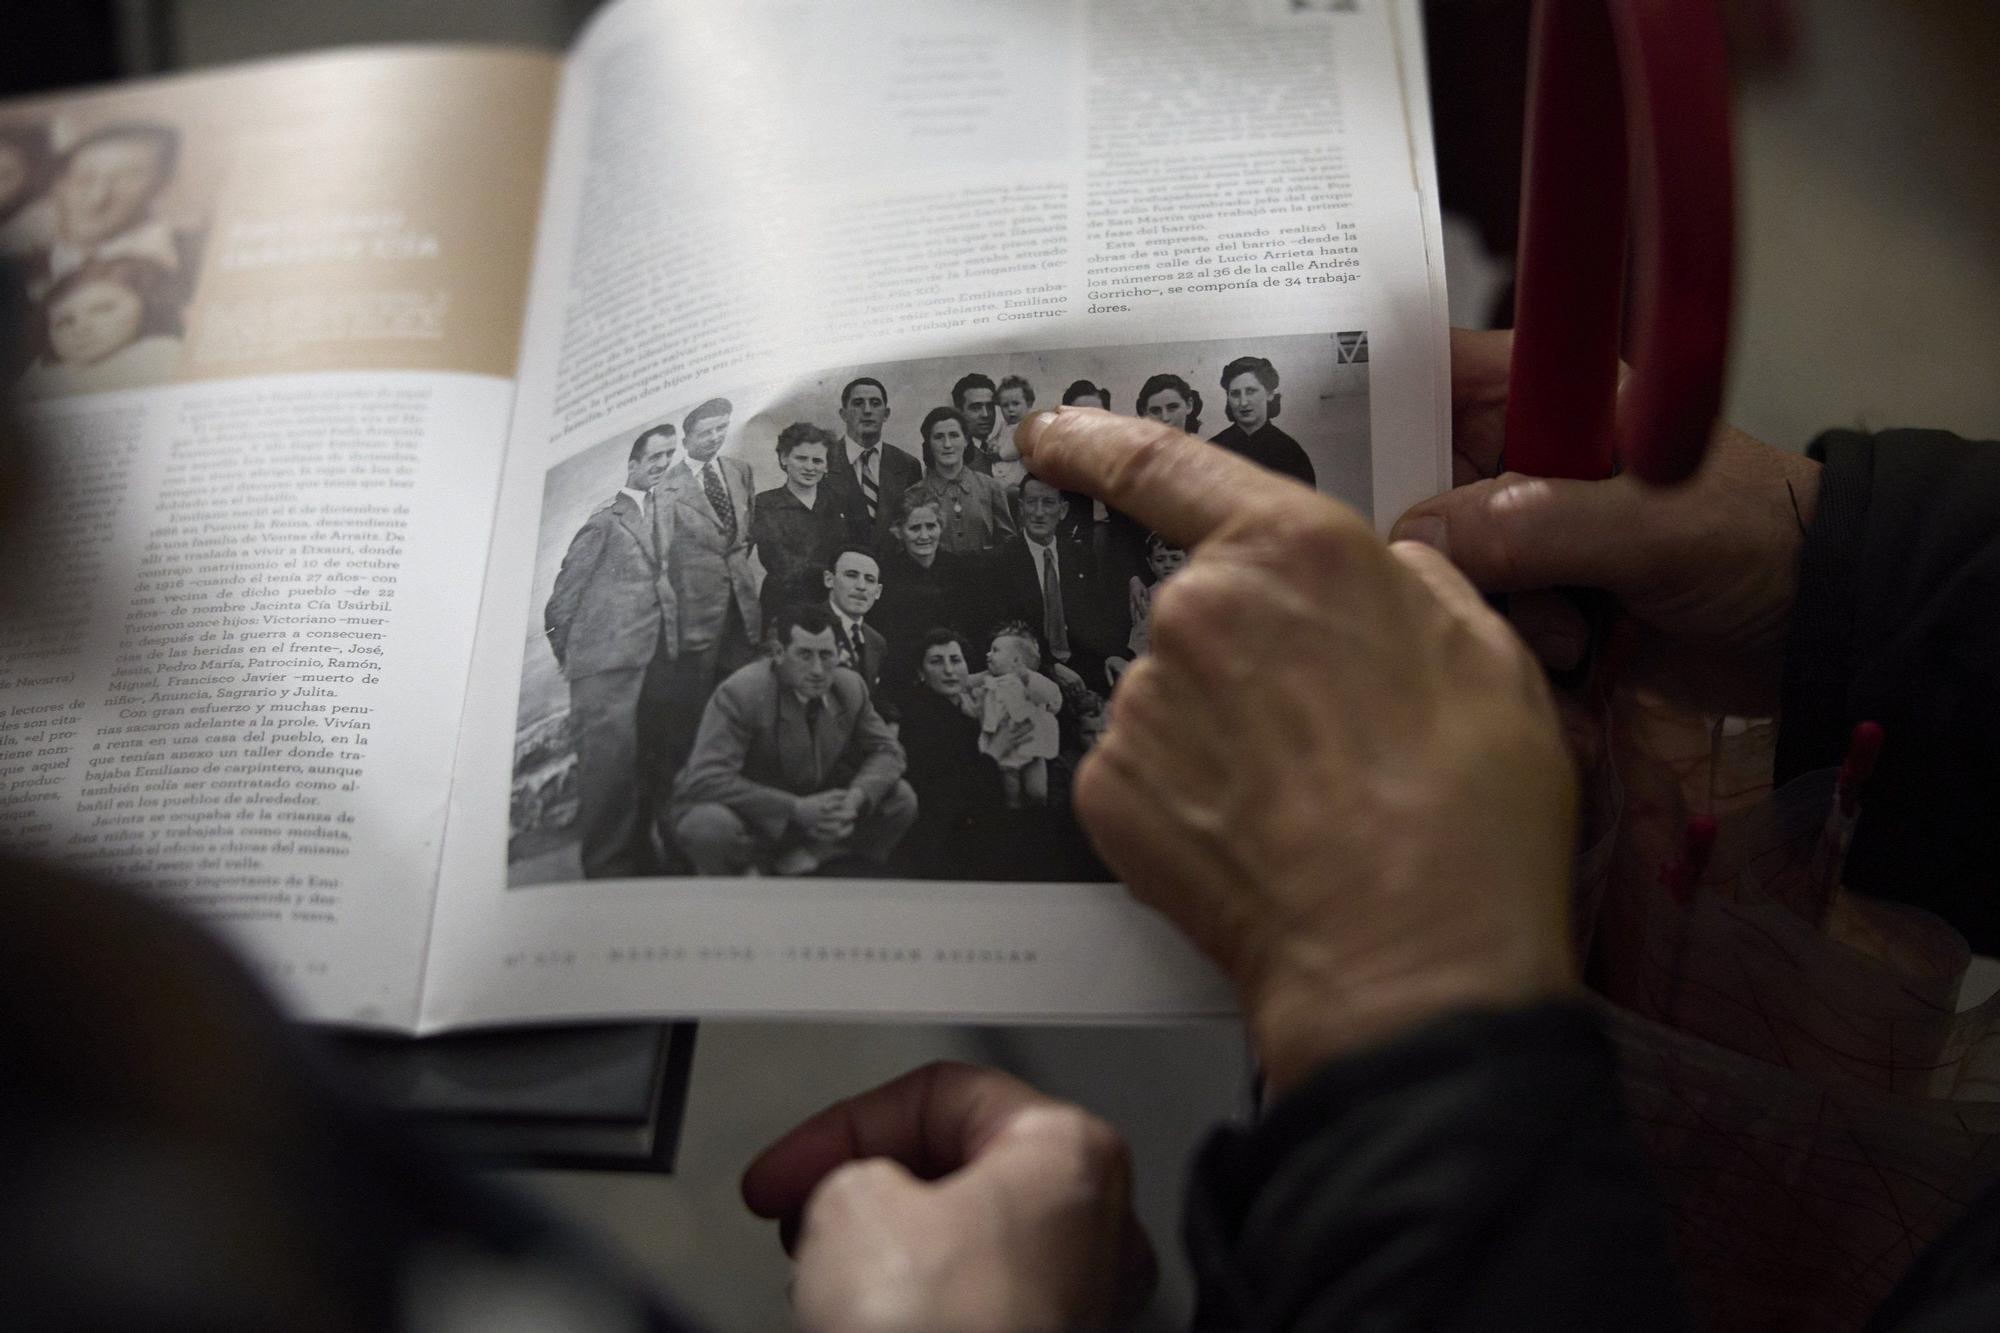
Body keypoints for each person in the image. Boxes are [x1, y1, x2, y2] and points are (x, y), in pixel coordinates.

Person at [669, 603, 916, 877]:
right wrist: (795, 808)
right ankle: (745, 878)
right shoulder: (743, 691)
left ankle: (815, 859)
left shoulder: (849, 687)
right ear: (778, 653)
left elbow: (889, 752)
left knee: (900, 799)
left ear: (840, 654)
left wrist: (854, 800)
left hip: (815, 817)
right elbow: (705, 778)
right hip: (752, 813)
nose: (818, 670)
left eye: (827, 655)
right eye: (804, 655)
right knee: (707, 826)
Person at [541, 424, 679, 878]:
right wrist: (580, 662)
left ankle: (640, 863)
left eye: (668, 456)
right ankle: (607, 872)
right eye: (654, 457)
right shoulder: (604, 522)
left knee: (638, 768)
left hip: (645, 663)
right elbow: (561, 603)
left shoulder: (658, 511)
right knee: (607, 777)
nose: (662, 464)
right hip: (603, 671)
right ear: (633, 464)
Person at [652, 397, 761, 788]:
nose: (715, 438)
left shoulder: (740, 472)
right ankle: (699, 786)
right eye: (705, 432)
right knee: (697, 707)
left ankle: (748, 780)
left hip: (744, 608)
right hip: (696, 615)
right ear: (685, 438)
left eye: (721, 429)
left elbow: (743, 539)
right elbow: (660, 558)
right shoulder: (666, 488)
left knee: (748, 696)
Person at [29, 122, 196, 304]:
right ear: (58, 186)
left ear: (163, 186)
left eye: (126, 179)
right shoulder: (16, 273)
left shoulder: (194, 258)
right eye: (83, 178)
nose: (97, 198)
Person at [983, 474, 1117, 692]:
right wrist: (1050, 667)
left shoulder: (1079, 556)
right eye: (1031, 503)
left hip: (1084, 668)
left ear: (1063, 510)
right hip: (1031, 673)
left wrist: (1112, 655)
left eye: (1047, 503)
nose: (1038, 513)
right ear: (1021, 508)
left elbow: (1097, 619)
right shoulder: (1000, 562)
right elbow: (1000, 632)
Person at [891, 628, 1008, 877]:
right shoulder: (918, 717)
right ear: (921, 673)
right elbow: (948, 793)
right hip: (940, 846)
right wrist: (994, 754)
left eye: (956, 660)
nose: (949, 670)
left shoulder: (971, 710)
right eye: (936, 661)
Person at [13, 254, 181, 398]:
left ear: (147, 303)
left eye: (102, 309)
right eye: (64, 321)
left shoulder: (161, 351)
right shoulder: (43, 375)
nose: (81, 328)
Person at [872, 488, 977, 690]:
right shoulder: (885, 575)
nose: (924, 536)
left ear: (941, 526)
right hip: (910, 680)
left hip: (965, 675)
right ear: (898, 531)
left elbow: (975, 627)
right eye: (915, 528)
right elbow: (888, 642)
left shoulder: (960, 569)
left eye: (931, 526)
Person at [749, 421, 852, 624]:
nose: (809, 467)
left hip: (832, 605)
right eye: (801, 458)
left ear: (827, 465)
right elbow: (780, 563)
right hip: (782, 606)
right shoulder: (765, 504)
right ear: (784, 458)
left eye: (817, 461)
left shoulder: (837, 501)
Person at [825, 375, 923, 552]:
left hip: (894, 571)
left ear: (886, 414)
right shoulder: (823, 463)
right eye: (858, 403)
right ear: (843, 414)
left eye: (875, 403)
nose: (867, 410)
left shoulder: (908, 465)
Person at [970, 621, 1062, 809]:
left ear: (1016, 661)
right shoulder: (989, 681)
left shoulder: (1030, 681)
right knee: (1009, 793)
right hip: (1003, 748)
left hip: (1032, 745)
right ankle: (1014, 814)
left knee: (1037, 791)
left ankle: (1039, 810)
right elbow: (974, 693)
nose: (988, 654)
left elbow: (1051, 696)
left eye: (995, 650)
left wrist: (1026, 677)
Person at [908, 404, 1015, 556]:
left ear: (965, 441)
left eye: (954, 435)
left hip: (985, 577)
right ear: (929, 444)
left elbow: (1009, 543)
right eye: (939, 437)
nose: (947, 444)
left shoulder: (990, 487)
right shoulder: (915, 495)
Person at [1209, 354, 1316, 486]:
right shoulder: (1212, 450)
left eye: (1250, 391)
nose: (1243, 402)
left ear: (1269, 393)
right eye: (1235, 394)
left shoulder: (1291, 453)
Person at [1105, 529, 1188, 684]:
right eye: (1160, 559)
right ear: (1150, 563)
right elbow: (1139, 646)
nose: (1168, 565)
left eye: (1175, 558)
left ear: (1188, 560)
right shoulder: (1144, 599)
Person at [821, 546, 886, 690]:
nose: (861, 586)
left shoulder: (876, 641)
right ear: (829, 579)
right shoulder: (804, 626)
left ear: (878, 591)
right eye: (851, 575)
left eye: (870, 579)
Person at [950, 370, 1001, 474]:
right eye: (976, 408)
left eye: (990, 406)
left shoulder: (1004, 444)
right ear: (959, 412)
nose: (986, 414)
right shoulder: (953, 456)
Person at [1134, 370, 1203, 436]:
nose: (1165, 418)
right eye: (1155, 411)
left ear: (1189, 406)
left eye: (1172, 407)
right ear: (1145, 413)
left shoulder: (1204, 447)